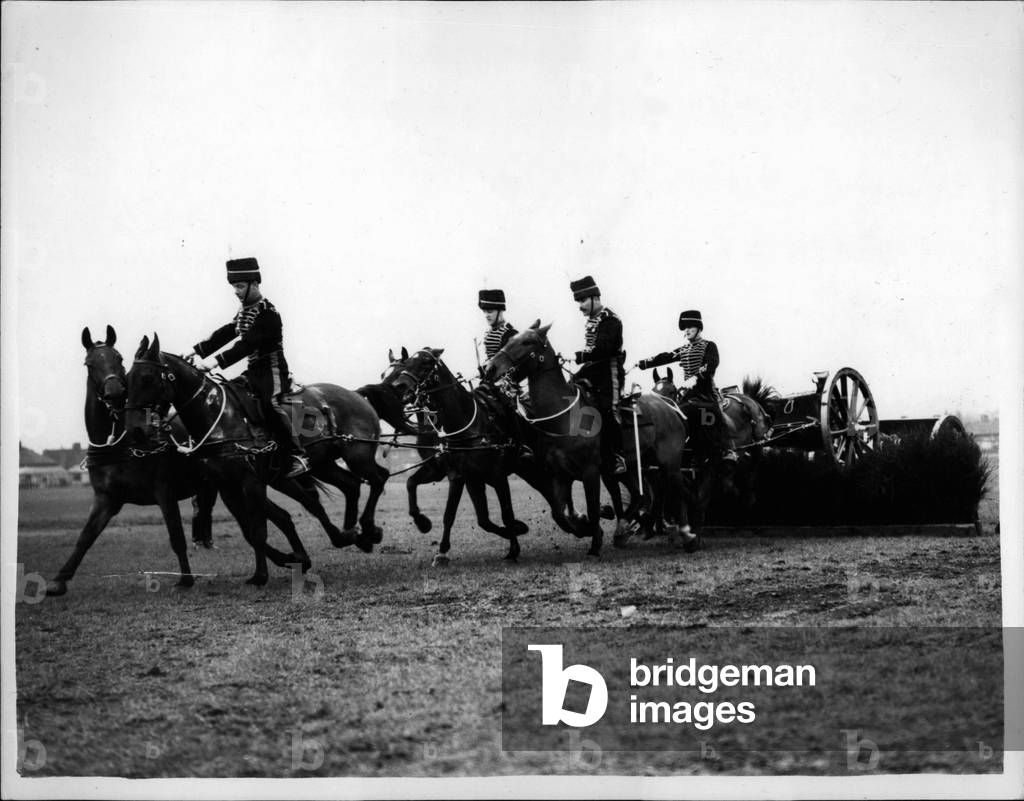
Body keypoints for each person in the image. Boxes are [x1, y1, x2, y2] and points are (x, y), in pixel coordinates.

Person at [188, 257, 309, 478]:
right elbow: (227, 332)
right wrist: (197, 350)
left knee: (269, 404)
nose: (236, 291)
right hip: (253, 372)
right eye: (234, 286)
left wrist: (215, 362)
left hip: (272, 371)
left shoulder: (268, 313)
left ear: (254, 284)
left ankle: (297, 454)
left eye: (240, 286)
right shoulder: (245, 311)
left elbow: (247, 344)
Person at [637, 309, 737, 462]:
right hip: (689, 394)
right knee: (676, 413)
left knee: (711, 414)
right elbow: (666, 356)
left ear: (698, 328)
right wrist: (644, 363)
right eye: (685, 327)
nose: (687, 330)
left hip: (706, 392)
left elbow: (712, 364)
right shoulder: (684, 349)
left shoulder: (709, 346)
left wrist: (696, 377)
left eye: (691, 326)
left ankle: (727, 449)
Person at [570, 275, 627, 475]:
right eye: (578, 301)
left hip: (609, 371)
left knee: (607, 408)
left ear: (595, 297)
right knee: (570, 394)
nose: (580, 305)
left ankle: (619, 455)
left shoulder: (610, 319)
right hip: (592, 370)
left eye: (583, 300)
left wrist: (582, 355)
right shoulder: (593, 320)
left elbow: (604, 348)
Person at [477, 288, 532, 461]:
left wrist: (507, 379)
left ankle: (523, 444)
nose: (487, 315)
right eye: (485, 311)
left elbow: (519, 363)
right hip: (489, 383)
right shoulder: (488, 334)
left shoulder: (510, 334)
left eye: (490, 311)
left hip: (507, 384)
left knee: (509, 408)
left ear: (500, 311)